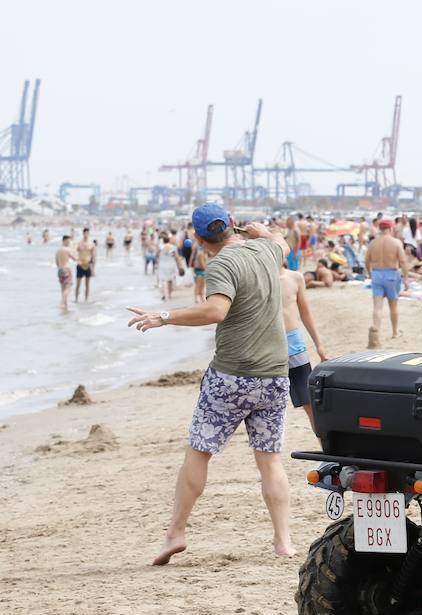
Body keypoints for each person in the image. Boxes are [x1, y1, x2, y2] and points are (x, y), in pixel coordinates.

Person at [126, 204, 295, 566]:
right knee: (269, 459)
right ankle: (283, 541)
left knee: (199, 451)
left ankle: (176, 532)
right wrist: (261, 230)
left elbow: (216, 310)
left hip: (232, 375)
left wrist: (163, 316)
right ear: (233, 224)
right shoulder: (266, 250)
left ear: (199, 239)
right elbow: (283, 244)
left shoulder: (221, 264)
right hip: (274, 374)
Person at [281, 264, 329, 430]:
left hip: (294, 344)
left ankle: (325, 450)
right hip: (266, 346)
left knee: (309, 402)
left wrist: (319, 344)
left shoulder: (295, 278)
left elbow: (305, 313)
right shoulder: (258, 277)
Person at [364, 218, 410, 341]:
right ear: (390, 228)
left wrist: (369, 272)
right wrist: (406, 278)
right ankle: (395, 332)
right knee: (393, 306)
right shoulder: (396, 243)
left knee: (377, 307)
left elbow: (367, 260)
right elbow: (403, 261)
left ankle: (376, 332)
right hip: (391, 274)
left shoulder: (373, 243)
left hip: (377, 273)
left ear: (380, 229)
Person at [157, 233, 184, 301]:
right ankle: (169, 295)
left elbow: (157, 255)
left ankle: (166, 296)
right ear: (169, 240)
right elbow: (177, 257)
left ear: (163, 241)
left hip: (163, 265)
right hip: (171, 265)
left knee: (164, 281)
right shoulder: (173, 247)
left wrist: (157, 264)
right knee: (170, 280)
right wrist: (179, 266)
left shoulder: (160, 247)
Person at [54, 235, 77, 312]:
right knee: (68, 288)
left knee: (63, 289)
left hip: (60, 270)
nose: (69, 242)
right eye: (68, 241)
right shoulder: (67, 249)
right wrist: (74, 250)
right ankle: (61, 303)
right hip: (66, 269)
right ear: (64, 241)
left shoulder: (58, 250)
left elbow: (56, 262)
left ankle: (65, 305)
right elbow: (75, 259)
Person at [75, 227, 97, 304]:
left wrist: (93, 268)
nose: (86, 234)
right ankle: (76, 299)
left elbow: (94, 256)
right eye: (85, 233)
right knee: (78, 284)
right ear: (83, 233)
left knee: (87, 284)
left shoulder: (92, 244)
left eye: (87, 233)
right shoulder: (79, 243)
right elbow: (74, 252)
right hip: (80, 265)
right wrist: (77, 260)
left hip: (88, 265)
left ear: (89, 233)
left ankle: (86, 300)